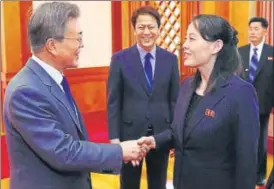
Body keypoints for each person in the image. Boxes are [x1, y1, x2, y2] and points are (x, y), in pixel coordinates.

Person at [3, 2, 148, 189]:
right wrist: (120, 151)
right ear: (52, 46)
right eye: (77, 39)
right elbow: (63, 152)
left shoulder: (51, 79)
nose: (82, 45)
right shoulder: (26, 91)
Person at [138, 14, 259, 189]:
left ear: (216, 46)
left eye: (192, 39)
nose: (184, 45)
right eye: (186, 39)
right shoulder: (187, 85)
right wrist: (155, 141)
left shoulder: (241, 93)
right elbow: (181, 132)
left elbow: (246, 163)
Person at [107, 6, 180, 189]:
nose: (146, 32)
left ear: (158, 29)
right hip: (129, 135)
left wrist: (174, 135)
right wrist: (115, 138)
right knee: (129, 183)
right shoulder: (120, 59)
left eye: (151, 27)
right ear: (134, 29)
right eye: (141, 27)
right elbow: (113, 101)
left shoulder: (170, 60)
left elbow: (174, 100)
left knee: (158, 182)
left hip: (160, 134)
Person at [238, 17, 274, 186]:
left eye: (256, 29)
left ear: (265, 31)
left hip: (263, 105)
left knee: (260, 143)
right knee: (242, 140)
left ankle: (259, 175)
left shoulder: (271, 53)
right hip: (241, 105)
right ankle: (243, 172)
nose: (252, 32)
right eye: (250, 28)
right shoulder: (240, 52)